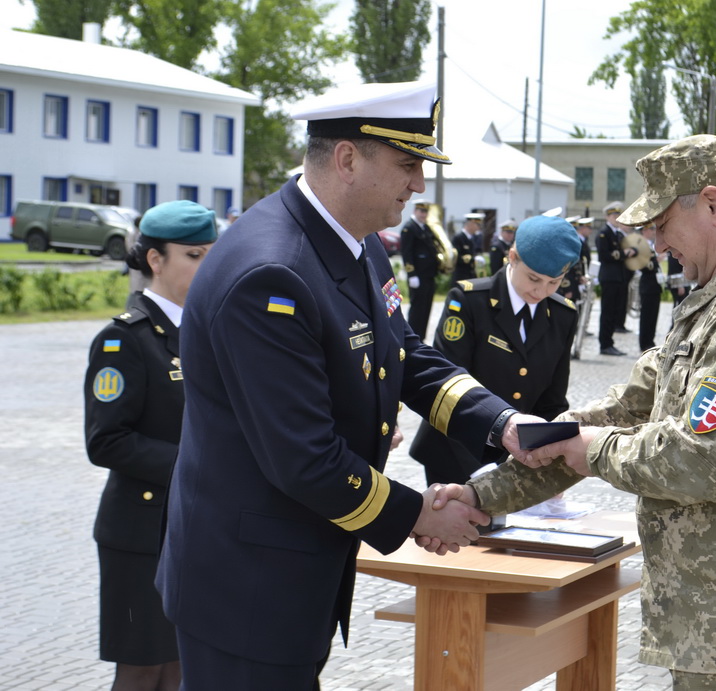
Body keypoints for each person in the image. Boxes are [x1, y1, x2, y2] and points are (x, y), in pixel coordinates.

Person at [155, 81, 539, 690]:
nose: (419, 185)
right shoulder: (272, 274)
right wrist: (418, 514)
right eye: (408, 165)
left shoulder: (355, 244)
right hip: (245, 587)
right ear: (347, 159)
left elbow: (403, 354)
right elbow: (304, 457)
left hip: (293, 571)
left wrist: (502, 424)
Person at [434, 135, 716, 690]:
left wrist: (590, 450)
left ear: (713, 205)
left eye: (662, 223)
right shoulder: (714, 306)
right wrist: (484, 494)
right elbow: (616, 415)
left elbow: (701, 460)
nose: (655, 241)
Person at [84, 200, 217, 691]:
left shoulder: (207, 330)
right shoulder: (124, 340)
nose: (207, 268)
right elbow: (106, 441)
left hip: (196, 524)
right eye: (194, 256)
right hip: (140, 532)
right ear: (155, 260)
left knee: (182, 665)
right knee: (143, 670)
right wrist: (196, 466)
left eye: (212, 256)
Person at [409, 215, 581, 485]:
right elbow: (447, 385)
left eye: (554, 282)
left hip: (517, 459)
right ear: (513, 257)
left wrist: (548, 463)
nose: (541, 291)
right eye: (533, 278)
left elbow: (553, 400)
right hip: (455, 453)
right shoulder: (469, 302)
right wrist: (480, 470)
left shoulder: (562, 315)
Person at [596, 201, 634, 355]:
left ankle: (609, 342)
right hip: (609, 277)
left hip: (618, 277)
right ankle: (605, 344)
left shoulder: (617, 234)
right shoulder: (604, 233)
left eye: (618, 216)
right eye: (614, 216)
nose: (617, 218)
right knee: (607, 312)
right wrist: (624, 254)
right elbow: (604, 255)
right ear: (607, 217)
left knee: (613, 312)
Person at [400, 198, 439, 341]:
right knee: (417, 310)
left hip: (429, 275)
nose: (424, 215)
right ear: (415, 211)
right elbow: (406, 253)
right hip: (418, 275)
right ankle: (412, 339)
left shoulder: (426, 228)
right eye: (421, 211)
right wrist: (411, 274)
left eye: (426, 212)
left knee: (426, 309)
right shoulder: (409, 228)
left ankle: (421, 339)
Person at [637, 221, 663, 351]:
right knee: (646, 316)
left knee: (653, 315)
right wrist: (656, 261)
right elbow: (642, 265)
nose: (653, 232)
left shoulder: (650, 245)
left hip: (654, 285)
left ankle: (650, 340)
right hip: (647, 284)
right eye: (651, 229)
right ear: (644, 231)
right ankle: (645, 342)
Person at [451, 212, 484, 283]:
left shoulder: (472, 238)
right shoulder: (458, 238)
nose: (479, 227)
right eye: (477, 224)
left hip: (470, 275)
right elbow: (456, 257)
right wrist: (473, 259)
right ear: (470, 224)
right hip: (460, 276)